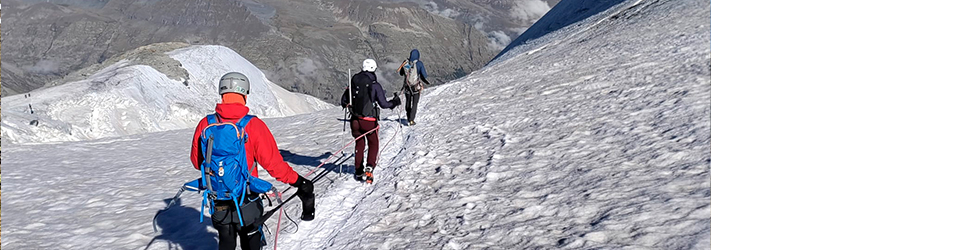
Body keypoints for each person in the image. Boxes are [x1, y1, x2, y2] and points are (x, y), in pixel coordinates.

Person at [190, 72, 315, 250]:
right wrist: (299, 182)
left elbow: (197, 162)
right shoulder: (253, 125)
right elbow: (275, 166)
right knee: (251, 239)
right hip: (246, 200)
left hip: (218, 199)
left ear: (221, 93)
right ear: (245, 95)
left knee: (225, 240)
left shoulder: (206, 124)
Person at [341, 59, 401, 183]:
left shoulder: (353, 82)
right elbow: (384, 104)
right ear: (374, 69)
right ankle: (369, 167)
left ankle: (358, 171)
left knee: (359, 143)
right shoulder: (374, 85)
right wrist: (395, 102)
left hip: (355, 120)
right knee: (373, 143)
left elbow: (344, 100)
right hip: (369, 121)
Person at [398, 49, 431, 126]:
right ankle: (412, 120)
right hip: (415, 87)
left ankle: (408, 117)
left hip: (407, 86)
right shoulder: (419, 64)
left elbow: (401, 73)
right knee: (415, 103)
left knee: (408, 102)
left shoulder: (406, 62)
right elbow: (424, 75)